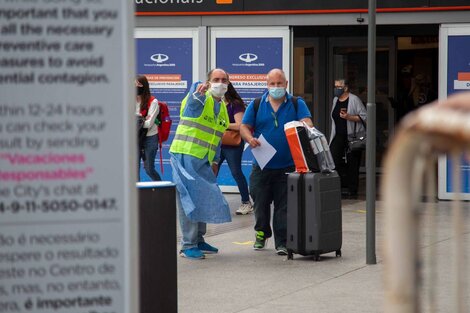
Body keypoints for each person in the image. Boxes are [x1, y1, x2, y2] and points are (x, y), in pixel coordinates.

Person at [240, 68, 313, 255]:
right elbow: (244, 127)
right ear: (267, 85)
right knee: (259, 201)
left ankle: (282, 242)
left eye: (279, 83)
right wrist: (249, 138)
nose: (276, 87)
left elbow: (308, 123)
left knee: (284, 206)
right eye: (272, 84)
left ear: (286, 84)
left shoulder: (297, 103)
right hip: (262, 165)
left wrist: (304, 127)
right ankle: (262, 233)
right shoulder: (256, 104)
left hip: (288, 165)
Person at [169, 68, 232, 260]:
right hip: (185, 155)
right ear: (208, 81)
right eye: (216, 79)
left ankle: (198, 239)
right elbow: (191, 108)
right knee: (188, 200)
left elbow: (218, 136)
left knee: (203, 197)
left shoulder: (222, 107)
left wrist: (214, 160)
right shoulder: (199, 98)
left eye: (223, 80)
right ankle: (188, 245)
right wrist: (197, 95)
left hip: (204, 159)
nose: (220, 83)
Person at [217, 82, 253, 215]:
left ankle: (246, 202)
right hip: (217, 143)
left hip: (232, 144)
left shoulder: (235, 104)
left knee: (236, 172)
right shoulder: (217, 103)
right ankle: (212, 202)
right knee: (211, 172)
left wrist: (222, 124)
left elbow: (240, 125)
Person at [328, 78, 367, 199]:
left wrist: (349, 117)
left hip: (352, 136)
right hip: (338, 135)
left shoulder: (354, 99)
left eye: (339, 87)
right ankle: (338, 186)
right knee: (334, 160)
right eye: (335, 86)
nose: (336, 89)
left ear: (345, 88)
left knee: (353, 163)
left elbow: (365, 116)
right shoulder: (335, 100)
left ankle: (352, 189)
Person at [136, 75, 162, 181]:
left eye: (138, 84)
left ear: (144, 86)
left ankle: (161, 190)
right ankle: (136, 195)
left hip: (150, 138)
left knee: (149, 168)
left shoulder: (153, 102)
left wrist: (136, 121)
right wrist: (141, 120)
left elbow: (149, 124)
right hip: (135, 138)